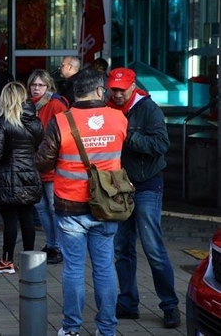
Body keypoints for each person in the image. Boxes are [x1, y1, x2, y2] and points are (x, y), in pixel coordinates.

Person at [35, 69, 127, 336]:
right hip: (107, 205)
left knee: (74, 269)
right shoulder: (119, 119)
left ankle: (72, 328)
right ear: (100, 91)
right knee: (104, 267)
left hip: (71, 207)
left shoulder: (61, 122)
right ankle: (107, 329)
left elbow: (42, 162)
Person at [107, 67, 180, 329]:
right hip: (118, 187)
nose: (116, 94)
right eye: (112, 89)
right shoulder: (109, 107)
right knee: (122, 248)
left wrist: (127, 135)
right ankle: (127, 303)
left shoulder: (148, 109)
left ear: (133, 86)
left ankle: (170, 305)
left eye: (121, 90)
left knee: (153, 248)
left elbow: (161, 146)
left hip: (147, 184)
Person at [0, 82, 43, 275]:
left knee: (10, 220)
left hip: (7, 177)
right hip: (29, 174)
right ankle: (29, 260)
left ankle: (6, 261)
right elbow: (39, 146)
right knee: (27, 218)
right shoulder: (35, 122)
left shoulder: (4, 122)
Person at [27, 69, 68, 265]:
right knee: (41, 208)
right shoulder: (27, 105)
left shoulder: (56, 105)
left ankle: (59, 247)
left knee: (53, 208)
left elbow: (63, 134)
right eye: (33, 85)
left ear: (49, 86)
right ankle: (51, 244)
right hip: (34, 164)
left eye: (40, 85)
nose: (36, 88)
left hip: (51, 166)